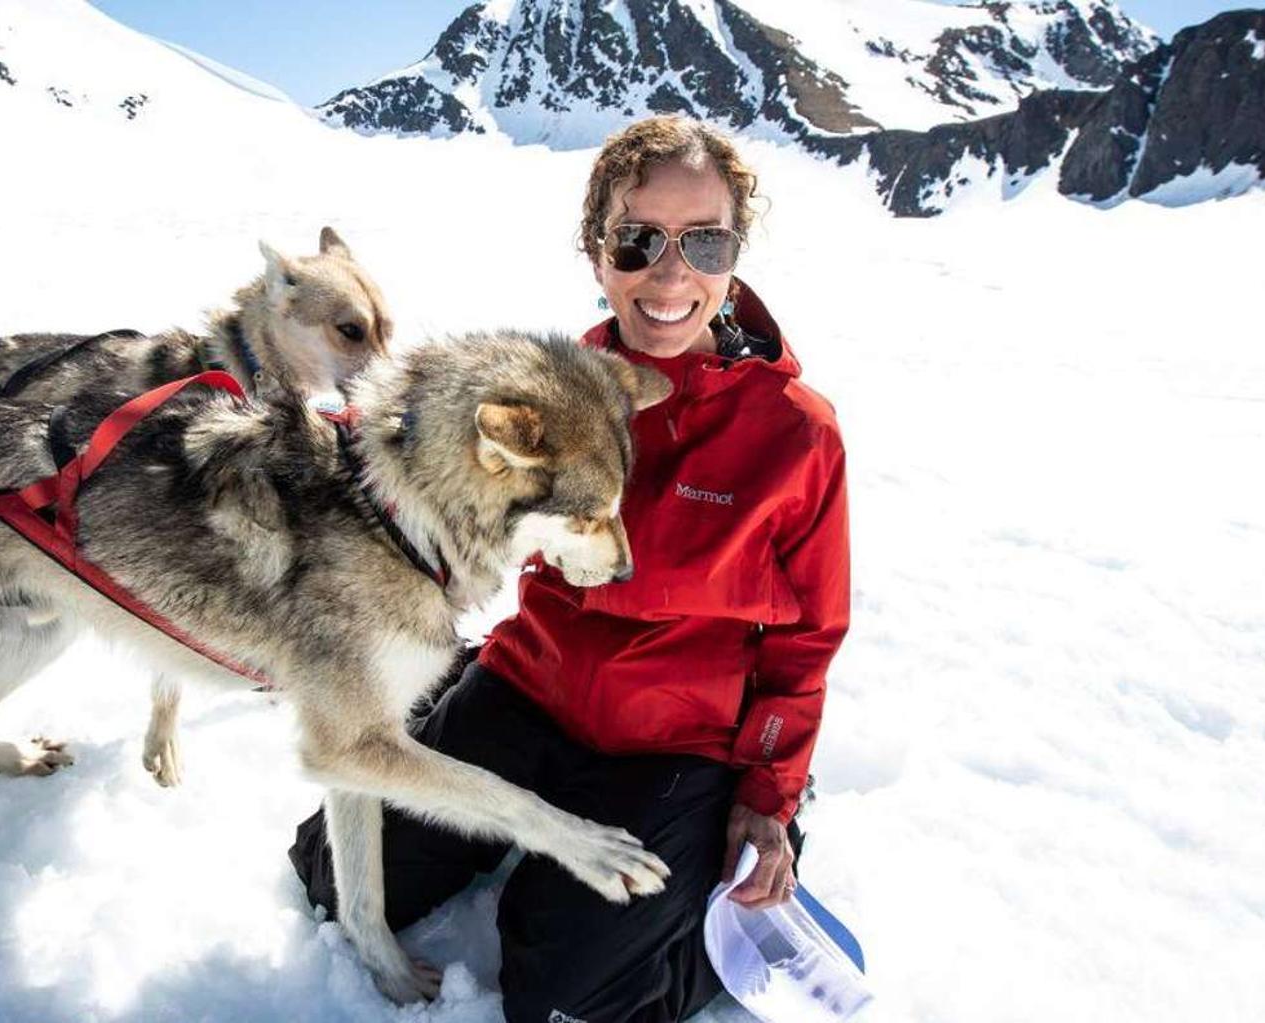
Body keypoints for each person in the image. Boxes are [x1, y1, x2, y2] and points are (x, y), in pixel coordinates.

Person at [290, 115, 850, 1023]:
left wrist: (769, 795)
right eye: (638, 240)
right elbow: (427, 464)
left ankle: (693, 879)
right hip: (529, 685)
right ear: (598, 254)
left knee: (567, 998)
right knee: (336, 879)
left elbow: (808, 638)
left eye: (704, 240)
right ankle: (473, 724)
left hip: (671, 739)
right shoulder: (560, 383)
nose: (671, 275)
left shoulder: (795, 433)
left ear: (735, 253)